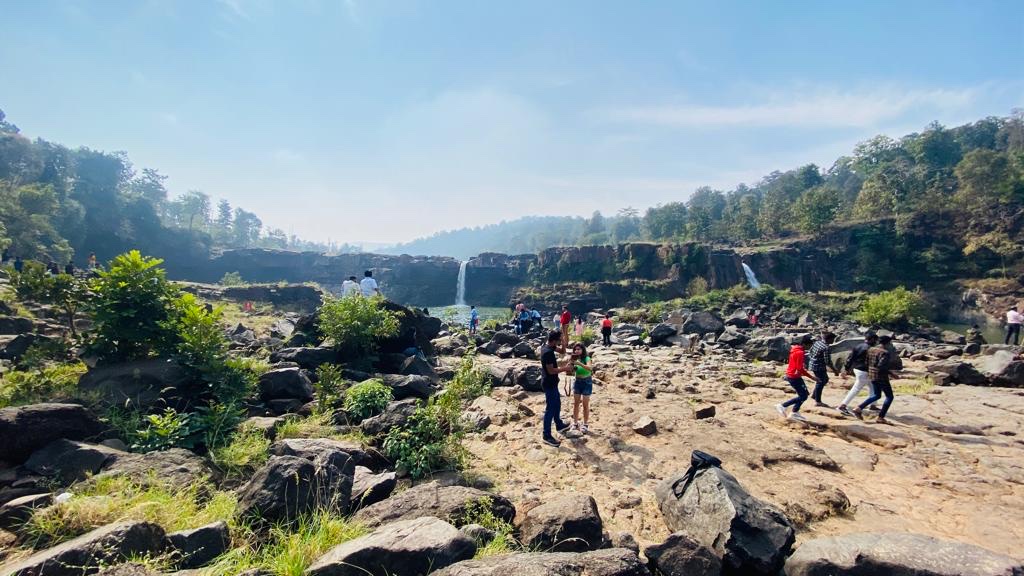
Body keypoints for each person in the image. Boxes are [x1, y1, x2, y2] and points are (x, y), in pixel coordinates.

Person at [854, 334, 896, 424]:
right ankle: (881, 417)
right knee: (889, 396)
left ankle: (859, 408)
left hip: (871, 375)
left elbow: (866, 362)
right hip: (881, 376)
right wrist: (891, 373)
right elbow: (881, 366)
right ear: (888, 343)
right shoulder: (885, 352)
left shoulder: (871, 349)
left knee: (877, 395)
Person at [540, 330, 572, 446]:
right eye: (558, 340)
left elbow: (563, 351)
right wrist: (565, 369)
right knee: (550, 409)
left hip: (552, 383)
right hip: (548, 383)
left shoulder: (548, 346)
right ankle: (546, 435)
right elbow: (551, 370)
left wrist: (563, 341)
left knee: (557, 403)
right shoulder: (547, 352)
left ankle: (559, 424)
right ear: (554, 341)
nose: (559, 342)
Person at [776, 334, 818, 422]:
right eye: (810, 345)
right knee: (803, 396)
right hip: (794, 376)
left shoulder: (795, 350)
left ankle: (794, 412)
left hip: (792, 375)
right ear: (805, 344)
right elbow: (800, 368)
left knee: (804, 394)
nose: (811, 347)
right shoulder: (800, 352)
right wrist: (811, 377)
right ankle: (783, 406)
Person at [837, 331, 878, 416]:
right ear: (872, 339)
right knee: (856, 388)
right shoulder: (871, 349)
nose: (876, 342)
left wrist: (846, 369)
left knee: (873, 386)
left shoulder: (858, 346)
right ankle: (842, 405)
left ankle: (873, 404)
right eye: (875, 340)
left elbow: (850, 358)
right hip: (865, 371)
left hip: (857, 369)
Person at [809, 332, 840, 407]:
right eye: (833, 339)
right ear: (829, 339)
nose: (833, 341)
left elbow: (810, 351)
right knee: (821, 382)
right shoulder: (826, 347)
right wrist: (835, 370)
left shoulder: (817, 342)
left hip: (813, 364)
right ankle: (818, 401)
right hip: (819, 366)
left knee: (825, 379)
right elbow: (827, 361)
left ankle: (814, 395)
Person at [570, 342, 594, 433]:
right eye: (575, 349)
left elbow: (589, 368)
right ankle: (575, 423)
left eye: (579, 349)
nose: (577, 351)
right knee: (576, 404)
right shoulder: (574, 358)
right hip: (577, 381)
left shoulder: (586, 358)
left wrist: (579, 364)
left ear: (582, 350)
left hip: (587, 382)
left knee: (585, 404)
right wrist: (571, 365)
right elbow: (571, 372)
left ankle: (585, 424)